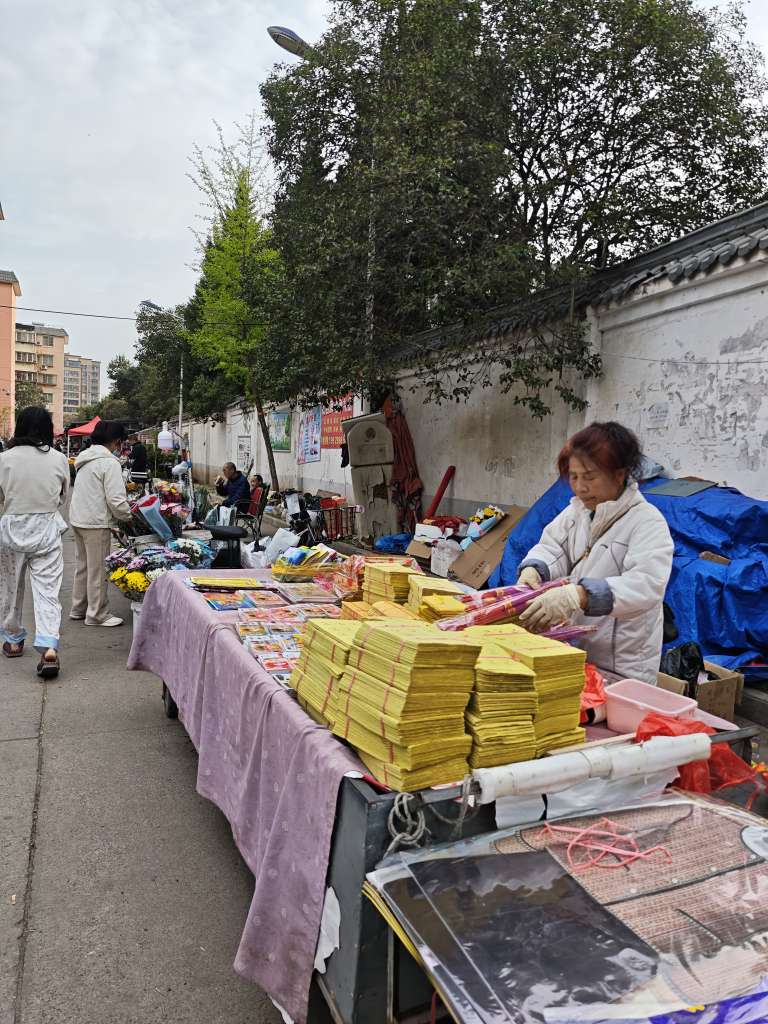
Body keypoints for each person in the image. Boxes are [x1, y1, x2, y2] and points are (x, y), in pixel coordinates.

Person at [517, 422, 674, 684]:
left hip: (622, 668)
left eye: (589, 477)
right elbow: (553, 547)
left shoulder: (647, 522)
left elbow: (646, 586)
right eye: (574, 477)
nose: (580, 487)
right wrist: (535, 568)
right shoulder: (577, 512)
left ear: (619, 474)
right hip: (575, 653)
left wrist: (578, 595)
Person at [0, 407, 69, 678]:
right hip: (46, 530)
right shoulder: (59, 458)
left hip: (12, 529)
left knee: (9, 588)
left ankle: (13, 640)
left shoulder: (3, 459)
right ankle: (49, 647)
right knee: (48, 591)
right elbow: (62, 497)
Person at [69, 420, 133, 627]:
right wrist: (130, 516)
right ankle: (97, 614)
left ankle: (79, 608)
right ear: (116, 441)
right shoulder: (109, 463)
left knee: (83, 566)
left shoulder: (85, 458)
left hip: (78, 518)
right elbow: (116, 500)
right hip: (96, 522)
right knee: (97, 569)